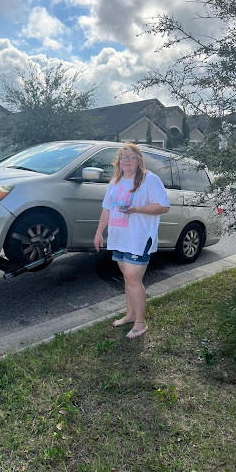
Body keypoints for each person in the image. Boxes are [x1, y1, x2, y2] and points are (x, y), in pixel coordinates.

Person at [94, 143, 170, 339]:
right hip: (119, 238)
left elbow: (163, 206)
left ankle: (141, 323)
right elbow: (106, 209)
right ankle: (130, 315)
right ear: (118, 161)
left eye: (131, 157)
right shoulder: (115, 182)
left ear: (139, 160)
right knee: (127, 278)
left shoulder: (149, 179)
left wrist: (137, 209)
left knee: (134, 280)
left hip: (139, 238)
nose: (126, 161)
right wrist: (99, 232)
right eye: (123, 157)